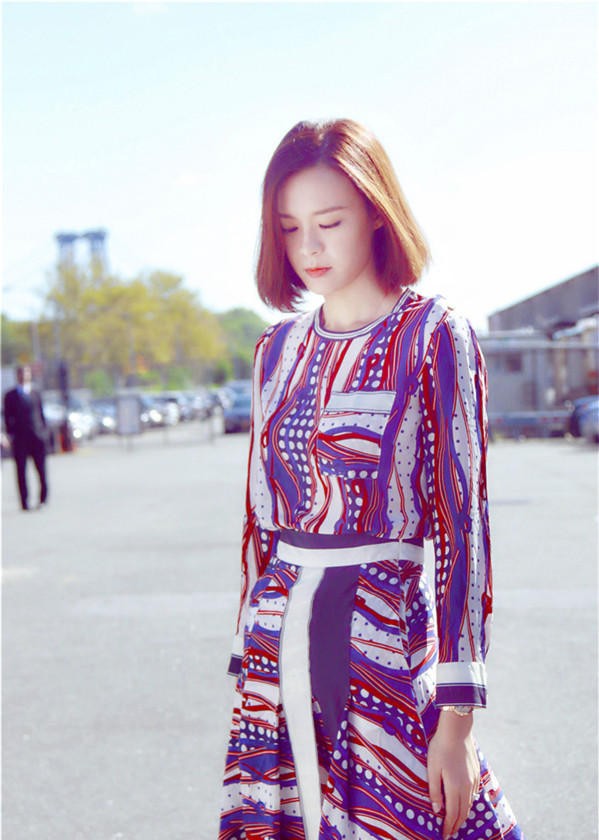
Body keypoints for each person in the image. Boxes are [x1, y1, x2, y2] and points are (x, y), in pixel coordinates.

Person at [219, 119, 522, 840]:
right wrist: (247, 655)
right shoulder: (274, 350)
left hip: (386, 642)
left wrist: (457, 719)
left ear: (377, 215)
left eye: (329, 222)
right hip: (276, 645)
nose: (309, 247)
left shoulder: (432, 334)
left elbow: (461, 526)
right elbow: (259, 518)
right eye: (290, 228)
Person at [3, 364, 49, 511]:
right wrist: (9, 435)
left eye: (26, 373)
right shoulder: (10, 396)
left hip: (37, 437)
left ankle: (43, 498)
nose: (24, 376)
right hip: (20, 438)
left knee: (41, 470)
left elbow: (41, 414)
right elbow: (7, 417)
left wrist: (44, 433)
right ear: (17, 375)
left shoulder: (36, 393)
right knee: (21, 472)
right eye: (21, 373)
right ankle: (24, 502)